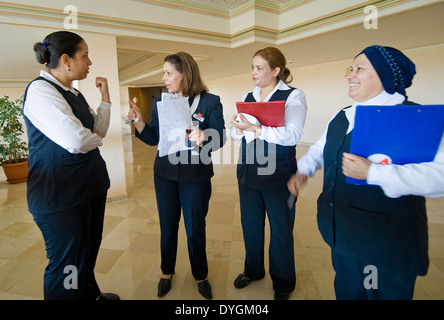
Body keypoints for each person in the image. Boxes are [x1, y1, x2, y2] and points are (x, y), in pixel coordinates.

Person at [288, 45, 444, 300]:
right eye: (351, 68)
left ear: (385, 75)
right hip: (344, 235)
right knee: (348, 292)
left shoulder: (414, 117)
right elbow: (319, 149)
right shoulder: (343, 115)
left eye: (360, 68)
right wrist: (304, 171)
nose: (350, 74)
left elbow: (440, 175)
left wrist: (375, 174)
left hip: (387, 245)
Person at [23, 31, 119, 300]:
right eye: (85, 55)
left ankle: (91, 295)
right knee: (66, 266)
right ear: (66, 59)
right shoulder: (41, 91)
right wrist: (95, 137)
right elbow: (76, 140)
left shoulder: (73, 93)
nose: (89, 62)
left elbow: (97, 128)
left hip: (88, 188)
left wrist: (106, 97)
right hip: (60, 196)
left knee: (87, 252)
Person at [127, 52, 226, 299]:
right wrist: (139, 122)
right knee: (168, 227)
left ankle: (201, 275)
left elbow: (221, 136)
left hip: (196, 176)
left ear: (185, 74)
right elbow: (153, 138)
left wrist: (205, 136)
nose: (165, 78)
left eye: (169, 73)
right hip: (165, 175)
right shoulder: (163, 102)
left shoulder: (210, 101)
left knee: (195, 229)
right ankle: (166, 272)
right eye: (164, 73)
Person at [230, 47, 307, 300]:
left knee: (281, 230)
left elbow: (292, 135)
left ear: (276, 71)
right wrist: (239, 128)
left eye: (259, 67)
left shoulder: (293, 96)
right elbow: (234, 135)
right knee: (250, 227)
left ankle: (283, 283)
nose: (253, 72)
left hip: (279, 176)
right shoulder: (248, 96)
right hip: (249, 174)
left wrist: (256, 127)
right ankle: (253, 271)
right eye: (252, 67)